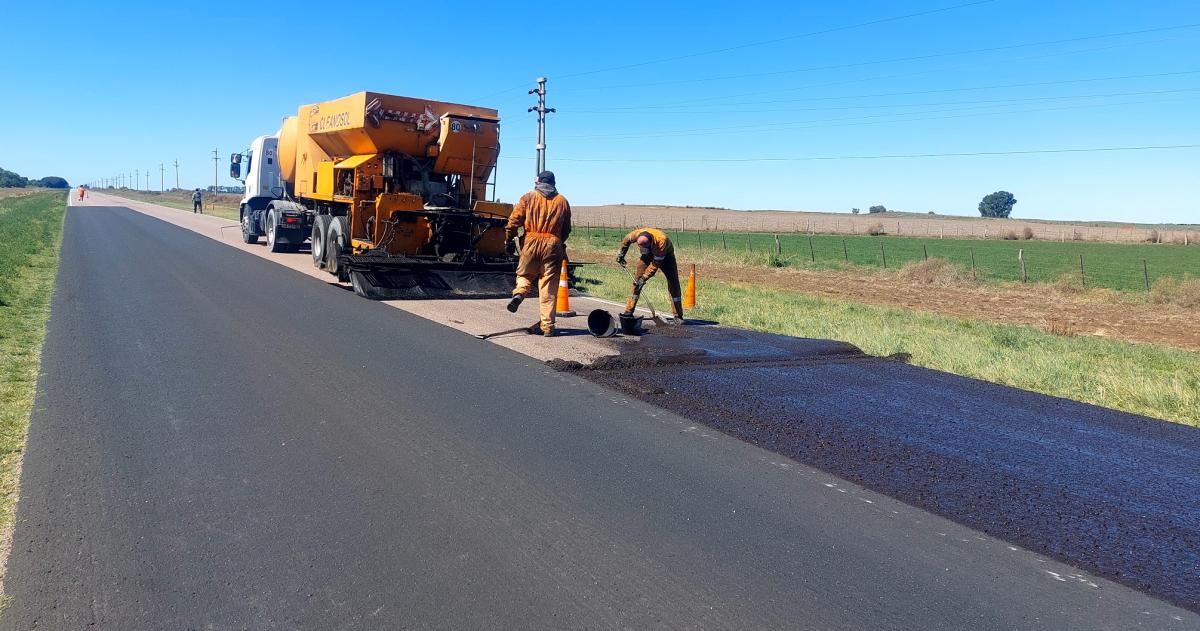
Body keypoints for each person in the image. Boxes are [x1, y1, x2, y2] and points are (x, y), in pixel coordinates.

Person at [504, 171, 571, 337]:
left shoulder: (528, 197)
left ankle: (519, 293)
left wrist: (509, 238)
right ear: (554, 183)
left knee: (525, 275)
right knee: (548, 287)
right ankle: (548, 327)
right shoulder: (562, 201)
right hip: (553, 246)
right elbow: (567, 228)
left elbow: (513, 221)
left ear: (538, 181)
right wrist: (557, 240)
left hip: (531, 243)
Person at [617, 227, 684, 320]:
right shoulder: (636, 234)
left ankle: (678, 315)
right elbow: (626, 240)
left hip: (666, 256)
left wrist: (644, 278)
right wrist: (621, 254)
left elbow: (654, 265)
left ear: (651, 242)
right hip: (647, 256)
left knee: (673, 282)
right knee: (636, 282)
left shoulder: (661, 241)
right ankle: (628, 311)